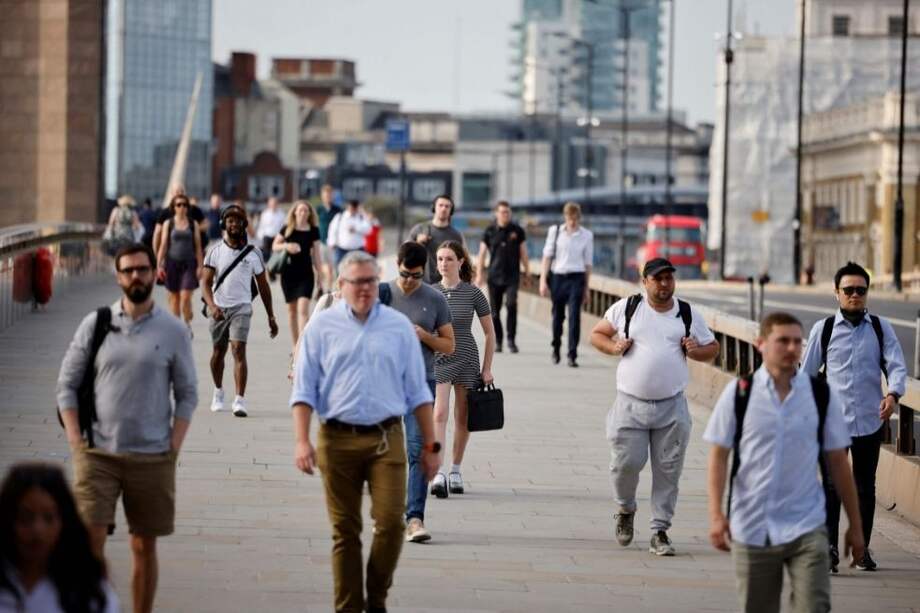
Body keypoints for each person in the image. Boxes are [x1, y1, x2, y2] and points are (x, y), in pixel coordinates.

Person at [290, 250, 440, 613]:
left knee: (390, 524)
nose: (365, 289)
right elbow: (304, 390)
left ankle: (377, 596)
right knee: (345, 531)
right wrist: (302, 440)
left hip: (386, 438)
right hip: (336, 439)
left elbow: (418, 391)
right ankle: (348, 606)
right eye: (357, 282)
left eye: (371, 281)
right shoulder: (322, 328)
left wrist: (431, 444)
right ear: (341, 285)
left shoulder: (397, 327)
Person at [56, 242, 197, 613]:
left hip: (152, 456)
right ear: (118, 277)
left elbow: (187, 394)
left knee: (143, 545)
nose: (136, 276)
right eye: (129, 270)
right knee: (90, 543)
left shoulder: (173, 330)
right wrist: (75, 442)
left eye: (143, 269)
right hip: (97, 453)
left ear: (154, 274)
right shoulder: (96, 324)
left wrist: (173, 447)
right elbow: (66, 385)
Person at [705, 312, 865, 613]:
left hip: (807, 525)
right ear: (761, 344)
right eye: (783, 341)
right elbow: (718, 456)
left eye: (797, 342)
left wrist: (855, 526)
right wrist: (716, 516)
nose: (792, 348)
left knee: (814, 606)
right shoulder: (740, 394)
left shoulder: (819, 395)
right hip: (753, 526)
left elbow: (839, 463)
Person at [589, 258, 720, 555]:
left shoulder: (687, 313)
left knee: (668, 471)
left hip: (672, 408)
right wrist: (614, 347)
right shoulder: (628, 307)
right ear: (644, 281)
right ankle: (625, 508)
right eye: (658, 279)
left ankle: (660, 531)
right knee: (625, 465)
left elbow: (713, 348)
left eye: (668, 278)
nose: (664, 284)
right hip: (630, 405)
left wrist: (695, 350)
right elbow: (597, 334)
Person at [801, 261, 906, 573]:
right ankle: (829, 548)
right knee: (832, 486)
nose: (855, 295)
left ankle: (861, 550)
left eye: (861, 290)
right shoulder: (824, 330)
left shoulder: (880, 328)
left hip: (870, 421)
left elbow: (896, 365)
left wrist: (893, 395)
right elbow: (806, 375)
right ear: (837, 293)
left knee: (864, 488)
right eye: (849, 290)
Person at [383, 241, 455, 543]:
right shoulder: (382, 294)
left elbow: (449, 345)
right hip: (384, 384)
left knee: (417, 451)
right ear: (397, 265)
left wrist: (425, 336)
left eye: (416, 275)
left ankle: (414, 519)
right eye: (405, 274)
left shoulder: (435, 299)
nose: (410, 281)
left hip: (420, 384)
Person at [0, 463, 120, 613]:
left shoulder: (88, 591)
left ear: (65, 521)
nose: (37, 530)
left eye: (49, 518)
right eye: (25, 518)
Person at [430, 241, 495, 499]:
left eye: (448, 259)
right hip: (440, 357)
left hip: (467, 357)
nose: (443, 264)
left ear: (460, 262)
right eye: (439, 259)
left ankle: (455, 470)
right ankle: (438, 472)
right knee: (439, 413)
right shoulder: (431, 292)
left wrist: (487, 368)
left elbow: (490, 333)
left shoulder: (473, 293)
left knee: (463, 416)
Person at [201, 204, 279, 418]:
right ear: (224, 224)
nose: (234, 224)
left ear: (244, 224)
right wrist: (212, 306)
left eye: (238, 221)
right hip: (218, 308)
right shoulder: (214, 251)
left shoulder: (254, 253)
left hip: (242, 308)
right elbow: (205, 283)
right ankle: (218, 391)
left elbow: (263, 286)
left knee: (238, 349)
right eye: (230, 221)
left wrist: (271, 316)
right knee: (218, 352)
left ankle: (239, 399)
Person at [539, 201, 593, 367]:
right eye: (570, 218)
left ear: (579, 218)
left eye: (575, 219)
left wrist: (587, 288)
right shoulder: (555, 232)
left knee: (574, 316)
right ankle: (556, 346)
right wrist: (542, 280)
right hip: (558, 277)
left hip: (577, 277)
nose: (573, 222)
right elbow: (547, 257)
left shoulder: (587, 235)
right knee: (558, 315)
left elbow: (588, 264)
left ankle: (572, 354)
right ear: (565, 217)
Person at [475, 200, 529, 354]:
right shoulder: (489, 231)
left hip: (512, 276)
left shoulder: (517, 231)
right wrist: (479, 274)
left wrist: (527, 273)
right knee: (494, 311)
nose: (506, 215)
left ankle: (511, 340)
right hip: (494, 276)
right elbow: (481, 254)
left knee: (511, 305)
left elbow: (523, 253)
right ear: (496, 214)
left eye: (508, 212)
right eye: (503, 212)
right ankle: (498, 340)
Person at [271, 200, 324, 346]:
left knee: (303, 310)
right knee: (292, 311)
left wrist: (320, 277)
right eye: (300, 210)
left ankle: (302, 346)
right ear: (294, 212)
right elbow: (274, 245)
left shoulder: (313, 230)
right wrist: (287, 245)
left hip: (306, 275)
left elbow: (317, 255)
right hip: (288, 274)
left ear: (309, 214)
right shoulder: (287, 228)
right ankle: (295, 346)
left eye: (306, 210)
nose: (303, 213)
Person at [156, 194, 203, 334]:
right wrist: (158, 265)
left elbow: (198, 246)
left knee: (185, 297)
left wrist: (200, 266)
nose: (182, 207)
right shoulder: (168, 223)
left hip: (189, 264)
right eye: (179, 205)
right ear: (174, 207)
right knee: (174, 299)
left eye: (185, 205)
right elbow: (163, 245)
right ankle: (177, 329)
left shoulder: (193, 224)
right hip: (171, 264)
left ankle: (187, 323)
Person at [408, 194, 464, 284]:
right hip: (421, 282)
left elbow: (461, 261)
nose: (444, 209)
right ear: (434, 208)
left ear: (451, 211)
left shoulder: (456, 235)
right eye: (440, 205)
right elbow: (405, 255)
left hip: (445, 285)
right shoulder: (419, 229)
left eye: (447, 206)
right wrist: (417, 243)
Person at [327, 200, 371, 269]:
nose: (352, 209)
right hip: (342, 249)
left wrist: (356, 229)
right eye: (351, 207)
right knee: (340, 269)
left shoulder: (362, 217)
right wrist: (332, 243)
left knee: (359, 269)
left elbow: (368, 230)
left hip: (358, 249)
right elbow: (332, 230)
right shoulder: (340, 216)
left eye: (355, 207)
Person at [316, 184, 342, 286]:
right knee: (325, 268)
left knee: (333, 268)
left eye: (329, 195)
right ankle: (325, 287)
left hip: (334, 243)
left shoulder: (338, 210)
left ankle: (329, 287)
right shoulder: (318, 209)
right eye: (326, 195)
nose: (328, 197)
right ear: (322, 196)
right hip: (321, 241)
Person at [255, 197, 287, 262]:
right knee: (266, 254)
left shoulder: (282, 214)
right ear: (269, 204)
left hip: (277, 237)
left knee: (276, 254)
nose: (273, 205)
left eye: (275, 203)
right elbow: (262, 225)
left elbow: (284, 226)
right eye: (272, 204)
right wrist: (260, 236)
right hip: (267, 236)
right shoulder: (265, 214)